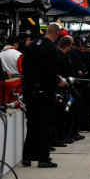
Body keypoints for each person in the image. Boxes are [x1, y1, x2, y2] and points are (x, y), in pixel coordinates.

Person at [21, 23, 68, 168]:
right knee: (44, 126)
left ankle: (27, 157)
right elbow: (49, 72)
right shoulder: (51, 49)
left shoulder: (33, 45)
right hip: (44, 93)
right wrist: (59, 82)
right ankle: (43, 158)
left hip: (30, 92)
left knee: (32, 126)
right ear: (57, 34)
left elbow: (27, 67)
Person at [0, 35, 23, 105]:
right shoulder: (18, 55)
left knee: (5, 106)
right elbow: (22, 71)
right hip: (16, 85)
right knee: (17, 106)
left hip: (3, 84)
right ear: (15, 44)